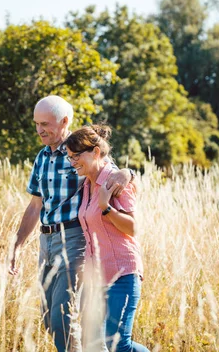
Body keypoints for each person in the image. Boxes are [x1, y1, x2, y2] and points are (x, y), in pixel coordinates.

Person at [8, 95, 133, 352]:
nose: (39, 129)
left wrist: (129, 173)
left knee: (62, 315)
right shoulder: (41, 157)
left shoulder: (79, 151)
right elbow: (35, 207)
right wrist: (17, 246)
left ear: (64, 121)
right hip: (46, 241)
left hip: (74, 239)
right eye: (36, 123)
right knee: (48, 318)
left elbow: (112, 171)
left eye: (45, 123)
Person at [65, 124, 148, 352]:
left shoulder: (114, 181)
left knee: (119, 345)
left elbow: (133, 227)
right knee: (97, 343)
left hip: (122, 272)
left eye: (77, 157)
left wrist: (106, 208)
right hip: (97, 279)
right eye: (70, 158)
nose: (73, 163)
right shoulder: (85, 185)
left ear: (96, 152)